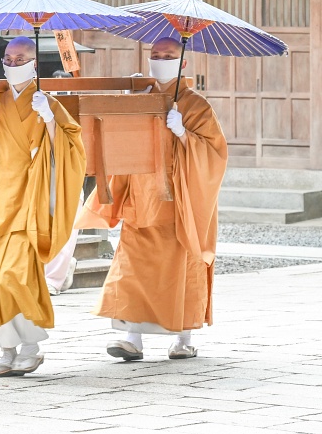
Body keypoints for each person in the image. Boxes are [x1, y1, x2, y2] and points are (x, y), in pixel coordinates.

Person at [76, 36, 227, 361]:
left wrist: (184, 132)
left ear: (182, 62)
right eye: (155, 54)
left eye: (168, 55)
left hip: (180, 202)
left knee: (180, 267)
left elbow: (215, 154)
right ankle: (132, 338)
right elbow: (117, 141)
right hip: (140, 196)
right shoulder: (139, 97)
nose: (160, 59)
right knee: (133, 265)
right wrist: (133, 107)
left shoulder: (196, 105)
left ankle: (183, 338)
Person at [0, 37, 86, 377]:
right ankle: (6, 352)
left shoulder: (49, 102)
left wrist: (48, 119)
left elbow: (72, 151)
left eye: (21, 58)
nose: (14, 64)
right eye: (9, 59)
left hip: (30, 198)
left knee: (13, 277)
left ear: (34, 63)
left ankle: (29, 347)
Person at [45, 70, 79, 296]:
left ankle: (54, 278)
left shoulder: (77, 105)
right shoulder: (40, 101)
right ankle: (61, 269)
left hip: (70, 167)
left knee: (67, 223)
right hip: (42, 166)